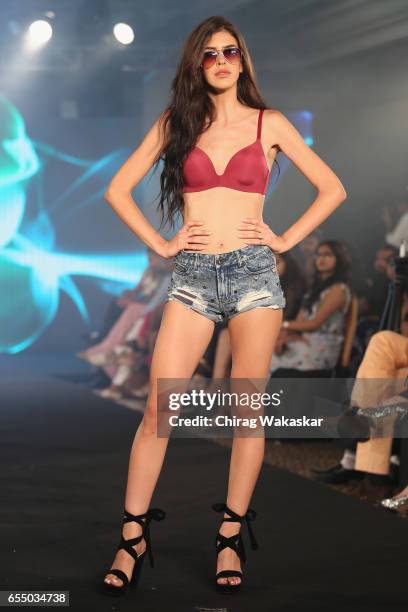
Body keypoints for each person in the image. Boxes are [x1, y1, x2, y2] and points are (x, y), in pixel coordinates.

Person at [101, 15, 347, 596]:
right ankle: (131, 539)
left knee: (247, 416)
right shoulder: (177, 123)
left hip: (254, 277)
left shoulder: (271, 123)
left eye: (229, 51)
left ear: (243, 59)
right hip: (189, 278)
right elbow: (117, 188)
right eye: (209, 54)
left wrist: (284, 240)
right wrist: (162, 244)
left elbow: (333, 188)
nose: (220, 61)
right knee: (159, 414)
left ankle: (230, 538)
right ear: (197, 63)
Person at [269, 240, 352, 374]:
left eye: (327, 255)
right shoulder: (313, 290)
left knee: (266, 362)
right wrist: (284, 337)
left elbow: (315, 323)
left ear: (339, 259)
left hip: (322, 347)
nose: (321, 259)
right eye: (318, 255)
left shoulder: (339, 289)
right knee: (264, 355)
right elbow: (299, 321)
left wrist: (282, 325)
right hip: (304, 341)